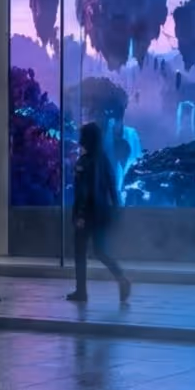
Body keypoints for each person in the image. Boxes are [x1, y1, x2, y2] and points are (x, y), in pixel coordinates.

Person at [68, 122, 131, 303]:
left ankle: (81, 292)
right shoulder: (104, 160)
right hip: (102, 213)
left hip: (86, 214)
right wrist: (116, 210)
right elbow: (113, 188)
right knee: (101, 251)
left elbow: (83, 192)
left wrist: (79, 215)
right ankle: (121, 278)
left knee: (80, 252)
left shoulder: (84, 162)